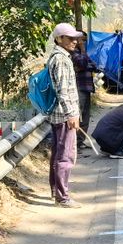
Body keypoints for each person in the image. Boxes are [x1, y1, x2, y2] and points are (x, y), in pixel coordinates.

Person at [47, 23, 83, 208]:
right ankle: (63, 197)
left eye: (75, 38)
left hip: (59, 114)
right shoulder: (60, 59)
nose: (74, 42)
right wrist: (71, 115)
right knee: (65, 156)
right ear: (59, 39)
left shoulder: (59, 56)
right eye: (70, 38)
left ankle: (56, 191)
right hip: (63, 115)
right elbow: (62, 90)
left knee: (58, 154)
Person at [70, 32, 97, 149]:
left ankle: (80, 141)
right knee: (78, 115)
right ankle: (73, 143)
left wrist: (85, 64)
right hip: (78, 87)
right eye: (82, 40)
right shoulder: (74, 53)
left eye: (85, 41)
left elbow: (94, 66)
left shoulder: (82, 53)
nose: (84, 43)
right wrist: (83, 51)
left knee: (86, 116)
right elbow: (82, 63)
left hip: (87, 87)